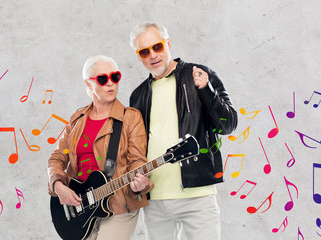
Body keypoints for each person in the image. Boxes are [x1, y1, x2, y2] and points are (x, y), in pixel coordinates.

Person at [129, 23, 238, 240]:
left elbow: (229, 124)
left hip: (197, 196)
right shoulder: (138, 96)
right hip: (155, 200)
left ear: (168, 44)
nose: (152, 55)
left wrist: (207, 91)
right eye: (144, 51)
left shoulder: (199, 74)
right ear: (139, 57)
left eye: (157, 46)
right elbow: (135, 148)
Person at [48, 55, 153, 240]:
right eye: (103, 79)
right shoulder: (77, 119)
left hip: (119, 205)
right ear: (88, 85)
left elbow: (137, 160)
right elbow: (58, 157)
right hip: (80, 208)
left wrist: (140, 182)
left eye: (115, 77)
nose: (111, 84)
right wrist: (58, 185)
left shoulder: (130, 117)